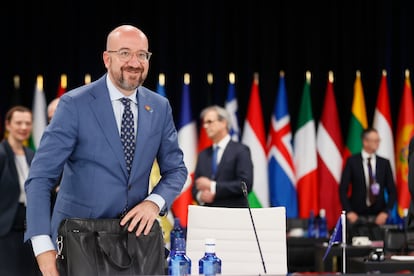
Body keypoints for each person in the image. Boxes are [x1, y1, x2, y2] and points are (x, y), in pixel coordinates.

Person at [24, 24, 188, 275]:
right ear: (106, 58)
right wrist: (43, 249)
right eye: (125, 53)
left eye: (142, 55)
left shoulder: (159, 106)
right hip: (78, 243)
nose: (134, 62)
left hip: (136, 244)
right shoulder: (74, 104)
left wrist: (154, 203)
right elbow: (40, 179)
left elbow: (176, 169)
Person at [0, 106, 41, 275]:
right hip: (6, 230)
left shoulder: (32, 155)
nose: (23, 127)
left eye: (28, 123)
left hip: (30, 230)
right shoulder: (1, 154)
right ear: (8, 125)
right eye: (19, 123)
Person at [339, 127, 396, 242]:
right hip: (357, 217)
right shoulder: (352, 161)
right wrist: (349, 211)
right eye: (374, 140)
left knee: (378, 250)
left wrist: (386, 212)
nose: (377, 143)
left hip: (378, 217)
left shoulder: (384, 163)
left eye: (378, 140)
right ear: (365, 141)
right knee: (357, 251)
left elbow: (392, 191)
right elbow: (342, 189)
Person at [192, 105, 253, 207]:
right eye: (204, 123)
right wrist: (200, 196)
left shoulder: (241, 150)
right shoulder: (203, 155)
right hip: (208, 215)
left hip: (233, 215)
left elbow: (245, 184)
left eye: (209, 122)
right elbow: (195, 186)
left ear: (223, 123)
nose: (205, 126)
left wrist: (212, 186)